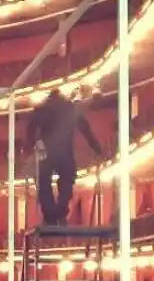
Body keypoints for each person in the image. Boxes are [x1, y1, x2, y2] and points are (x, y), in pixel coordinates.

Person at [23, 89, 103, 225]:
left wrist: (31, 148)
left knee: (43, 181)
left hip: (46, 150)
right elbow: (85, 128)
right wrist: (97, 148)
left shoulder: (42, 109)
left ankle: (50, 215)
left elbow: (30, 130)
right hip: (64, 150)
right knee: (67, 179)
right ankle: (60, 212)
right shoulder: (69, 108)